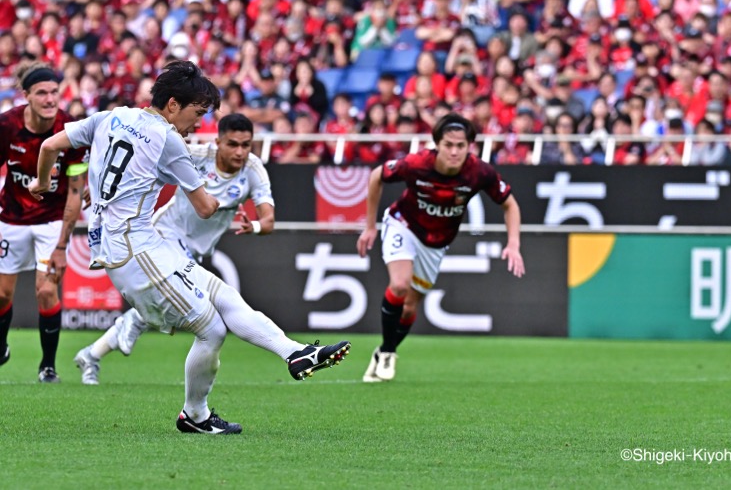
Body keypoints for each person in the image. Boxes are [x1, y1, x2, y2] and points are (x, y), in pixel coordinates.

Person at [29, 61, 350, 434]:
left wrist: (42, 183)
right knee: (212, 329)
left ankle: (295, 353)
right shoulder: (169, 141)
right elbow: (205, 207)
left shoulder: (111, 116)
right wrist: (221, 201)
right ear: (172, 105)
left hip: (140, 241)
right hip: (133, 248)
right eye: (197, 113)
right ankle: (194, 415)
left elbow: (50, 145)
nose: (199, 124)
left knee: (224, 296)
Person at [73, 113, 275, 385]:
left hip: (196, 248)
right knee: (201, 306)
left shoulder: (253, 170)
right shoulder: (197, 155)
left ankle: (92, 354)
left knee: (163, 305)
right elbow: (140, 157)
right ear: (218, 142)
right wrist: (102, 183)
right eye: (232, 144)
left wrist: (256, 226)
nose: (240, 152)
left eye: (246, 145)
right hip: (165, 234)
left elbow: (269, 220)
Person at [356, 113, 525, 382]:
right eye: (448, 145)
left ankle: (383, 351)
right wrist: (369, 226)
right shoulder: (416, 163)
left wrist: (513, 244)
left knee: (409, 308)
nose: (454, 152)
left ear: (469, 146)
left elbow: (510, 204)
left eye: (461, 146)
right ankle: (388, 352)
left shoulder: (480, 172)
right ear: (437, 144)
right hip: (403, 224)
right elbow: (377, 176)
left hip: (436, 243)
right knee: (399, 285)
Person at [0, 62, 87, 383]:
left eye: (54, 92)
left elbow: (75, 192)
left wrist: (63, 245)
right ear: (26, 96)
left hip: (52, 221)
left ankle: (48, 367)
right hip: (10, 217)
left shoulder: (71, 130)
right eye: (41, 93)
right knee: (2, 295)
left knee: (47, 291)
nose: (50, 99)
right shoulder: (6, 125)